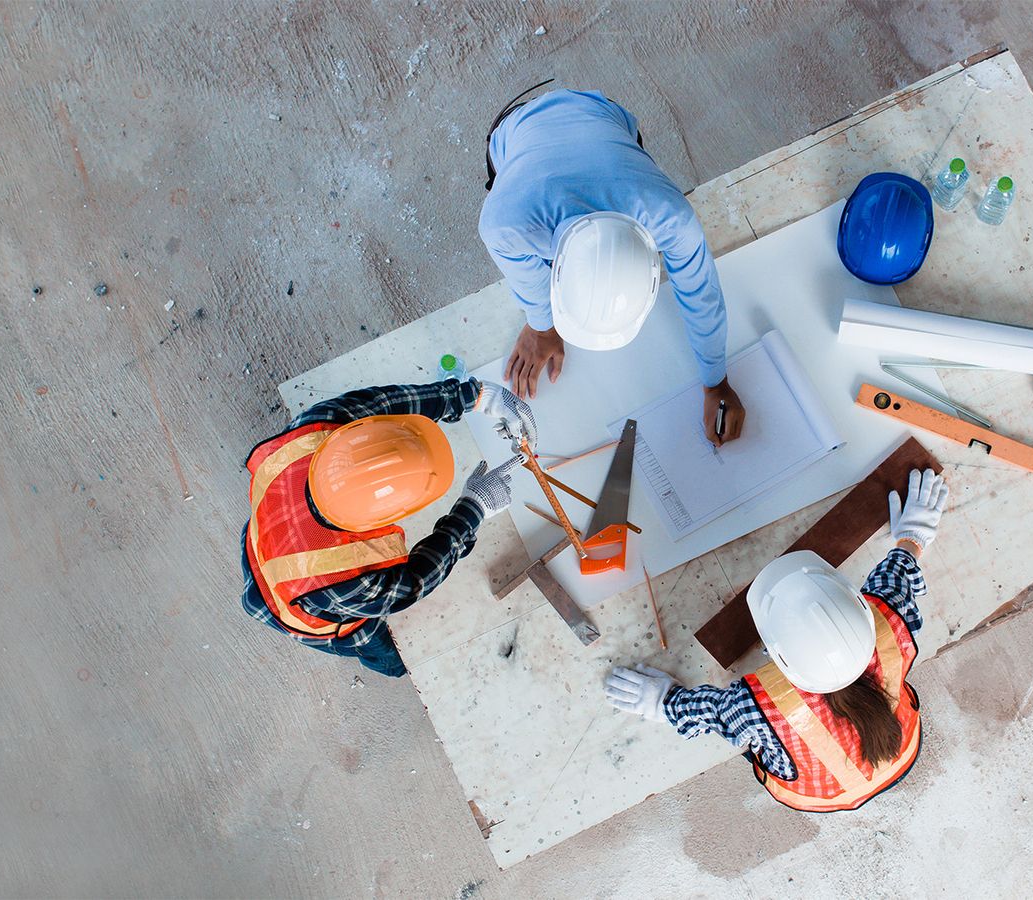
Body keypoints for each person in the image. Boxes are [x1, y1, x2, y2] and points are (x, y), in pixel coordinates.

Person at [603, 469, 948, 811]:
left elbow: (715, 714)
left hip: (824, 795)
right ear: (858, 605)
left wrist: (663, 702)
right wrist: (912, 537)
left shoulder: (762, 707)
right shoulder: (891, 624)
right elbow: (897, 580)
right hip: (901, 751)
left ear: (776, 657)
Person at [477, 87, 744, 445]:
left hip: (603, 115)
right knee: (531, 248)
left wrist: (716, 381)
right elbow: (529, 280)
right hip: (517, 130)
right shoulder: (507, 223)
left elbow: (701, 293)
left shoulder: (669, 216)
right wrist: (542, 328)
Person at [239, 378, 530, 677]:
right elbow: (415, 580)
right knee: (384, 651)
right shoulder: (346, 579)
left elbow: (385, 403)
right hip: (293, 608)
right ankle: (392, 667)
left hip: (264, 535)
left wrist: (477, 396)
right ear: (377, 521)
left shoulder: (320, 428)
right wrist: (473, 509)